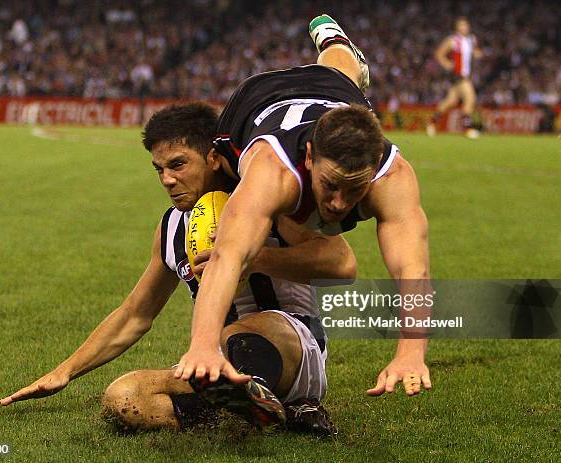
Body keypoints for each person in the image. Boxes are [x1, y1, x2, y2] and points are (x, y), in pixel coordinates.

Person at [0, 102, 356, 436]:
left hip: (294, 349)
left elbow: (343, 264)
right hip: (213, 358)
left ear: (214, 158)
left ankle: (277, 397)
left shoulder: (264, 201)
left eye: (178, 164)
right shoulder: (172, 228)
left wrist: (254, 255)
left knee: (234, 335)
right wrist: (63, 372)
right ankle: (255, 412)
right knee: (123, 398)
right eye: (160, 169)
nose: (166, 179)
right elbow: (135, 314)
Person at [174, 14, 432, 399]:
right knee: (222, 185)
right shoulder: (271, 171)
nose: (339, 204)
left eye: (354, 189)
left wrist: (411, 353)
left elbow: (414, 268)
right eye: (330, 186)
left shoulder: (391, 176)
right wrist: (204, 345)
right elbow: (228, 255)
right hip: (257, 99)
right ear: (309, 156)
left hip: (334, 93)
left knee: (341, 72)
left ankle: (335, 41)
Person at [427, 17, 483, 138]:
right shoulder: (453, 41)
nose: (464, 28)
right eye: (461, 25)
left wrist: (477, 53)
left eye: (465, 25)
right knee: (470, 98)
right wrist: (446, 63)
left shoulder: (471, 40)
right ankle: (468, 128)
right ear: (457, 28)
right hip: (458, 75)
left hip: (466, 75)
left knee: (449, 101)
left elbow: (474, 52)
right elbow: (439, 53)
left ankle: (431, 122)